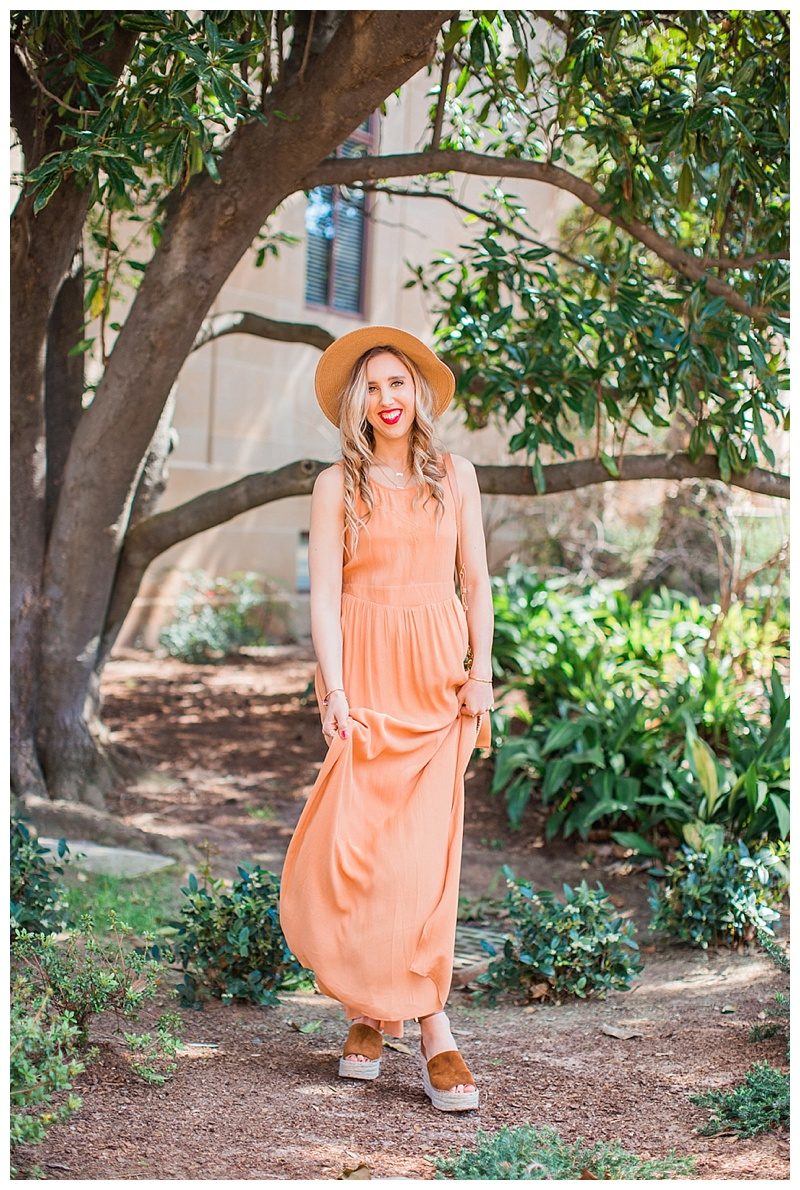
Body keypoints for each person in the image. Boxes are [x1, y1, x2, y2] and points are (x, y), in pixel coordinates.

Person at [278, 325, 494, 1112]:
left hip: (437, 680)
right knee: (360, 854)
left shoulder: (456, 475)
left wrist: (482, 670)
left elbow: (476, 580)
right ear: (355, 404)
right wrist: (333, 693)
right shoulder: (339, 483)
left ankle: (432, 1028)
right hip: (366, 681)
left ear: (419, 393)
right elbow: (326, 600)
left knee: (421, 863)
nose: (385, 399)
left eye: (396, 383)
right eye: (370, 387)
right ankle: (367, 1012)